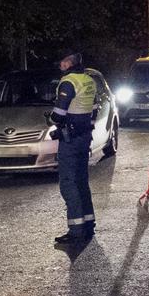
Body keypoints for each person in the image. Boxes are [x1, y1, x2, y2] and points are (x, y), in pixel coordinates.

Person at [52, 52, 97, 244]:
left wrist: (51, 119)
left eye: (62, 61)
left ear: (69, 63)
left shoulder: (68, 82)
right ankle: (88, 224)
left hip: (70, 140)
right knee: (81, 181)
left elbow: (59, 114)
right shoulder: (89, 81)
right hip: (84, 136)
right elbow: (94, 109)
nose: (60, 64)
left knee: (69, 183)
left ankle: (76, 230)